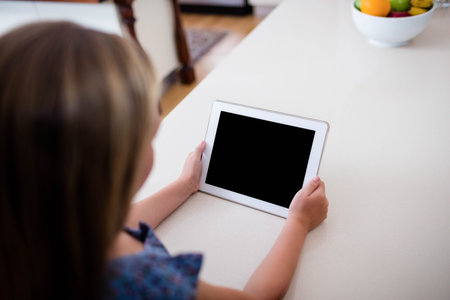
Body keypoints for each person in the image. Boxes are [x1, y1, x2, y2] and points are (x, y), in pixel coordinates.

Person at [0, 22, 328, 300]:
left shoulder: (38, 226)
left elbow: (121, 223)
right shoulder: (142, 280)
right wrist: (298, 222)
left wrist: (185, 185)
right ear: (113, 166)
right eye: (149, 137)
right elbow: (255, 297)